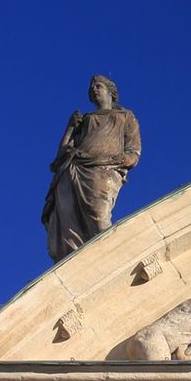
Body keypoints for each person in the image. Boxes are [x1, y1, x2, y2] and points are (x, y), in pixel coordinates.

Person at [42, 75, 141, 261]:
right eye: (92, 87)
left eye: (98, 86)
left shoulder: (125, 117)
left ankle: (109, 259)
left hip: (102, 170)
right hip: (73, 168)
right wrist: (70, 128)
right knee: (68, 221)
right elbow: (62, 154)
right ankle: (75, 262)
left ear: (110, 92)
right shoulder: (86, 119)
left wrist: (118, 161)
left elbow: (133, 151)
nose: (94, 89)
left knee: (98, 216)